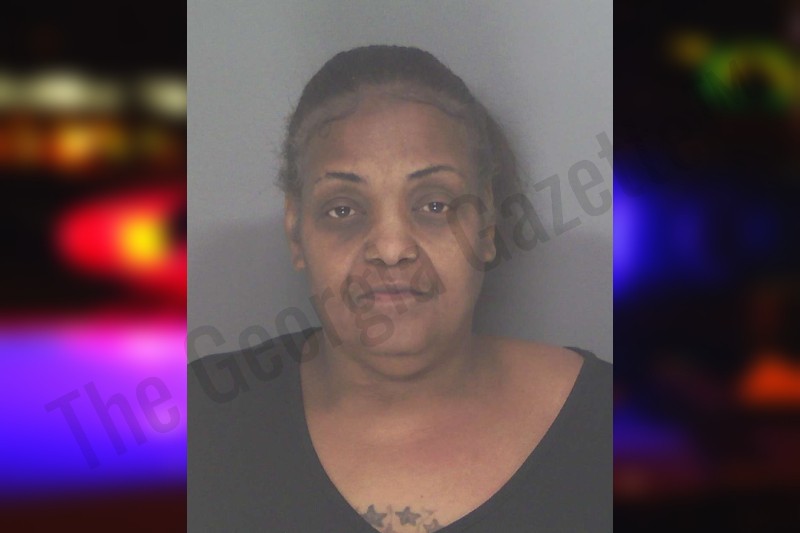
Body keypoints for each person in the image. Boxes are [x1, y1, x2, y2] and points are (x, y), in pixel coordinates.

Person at [188, 45, 611, 532]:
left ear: (487, 225)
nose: (391, 248)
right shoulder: (196, 426)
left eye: (434, 205)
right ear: (296, 231)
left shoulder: (613, 426)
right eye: (343, 209)